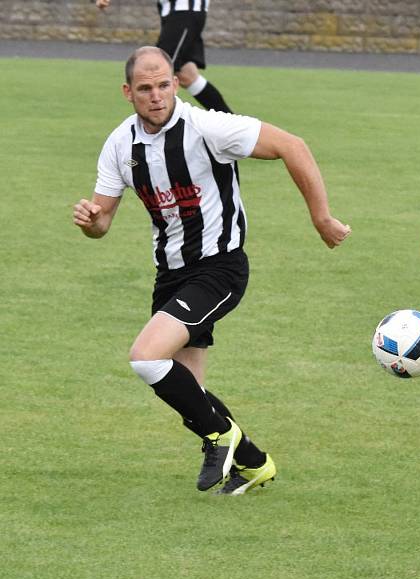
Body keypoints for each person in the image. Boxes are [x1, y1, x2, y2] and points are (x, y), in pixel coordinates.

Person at [73, 46, 351, 495]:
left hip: (219, 268)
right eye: (145, 89)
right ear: (128, 92)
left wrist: (321, 218)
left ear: (176, 84)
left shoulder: (208, 127)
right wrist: (92, 221)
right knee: (189, 392)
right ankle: (254, 464)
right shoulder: (120, 145)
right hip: (170, 276)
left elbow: (291, 146)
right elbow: (102, 222)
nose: (156, 95)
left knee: (146, 356)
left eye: (164, 84)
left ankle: (220, 437)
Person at [96, 0, 233, 113]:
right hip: (178, 12)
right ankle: (233, 124)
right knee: (186, 75)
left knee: (159, 71)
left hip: (184, 11)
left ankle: (163, 135)